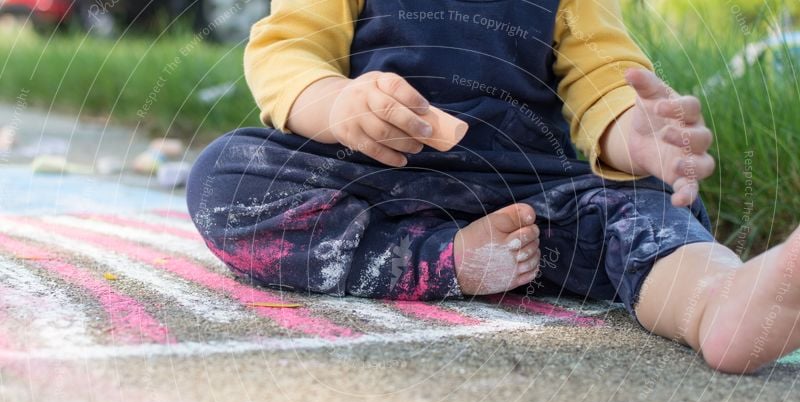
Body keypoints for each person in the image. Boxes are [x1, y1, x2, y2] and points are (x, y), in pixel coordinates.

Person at [186, 0, 800, 374]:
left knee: (644, 208)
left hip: (534, 199)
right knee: (226, 178)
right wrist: (336, 101)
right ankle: (445, 261)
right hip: (377, 180)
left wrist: (630, 130)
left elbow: (604, 74)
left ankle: (718, 303)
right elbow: (288, 51)